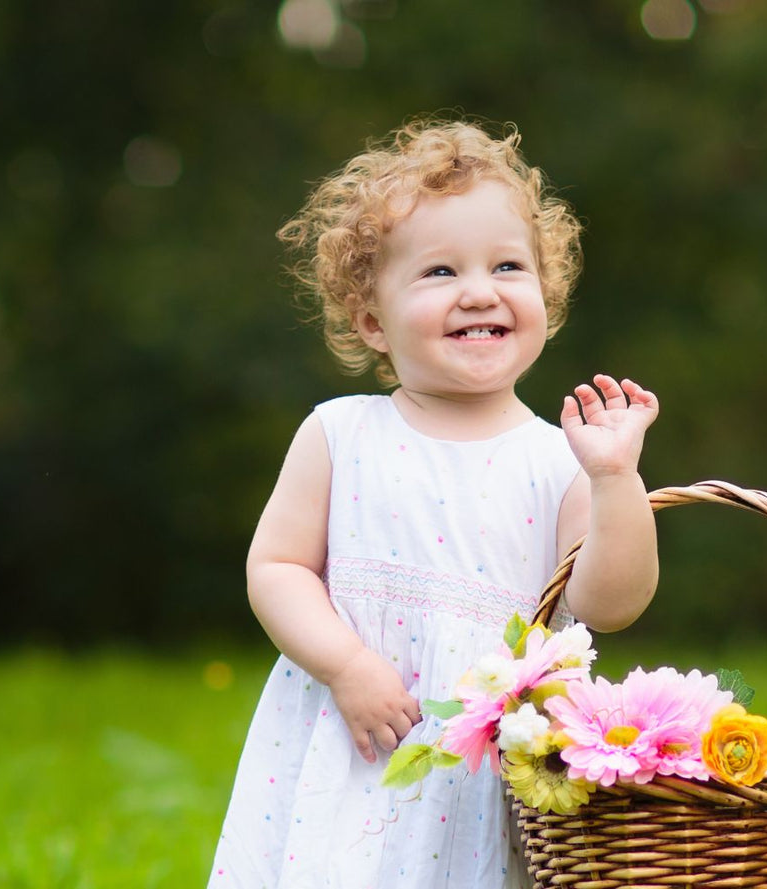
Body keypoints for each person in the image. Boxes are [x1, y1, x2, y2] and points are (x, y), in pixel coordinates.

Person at [207, 118, 661, 888]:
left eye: (508, 266)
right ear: (372, 322)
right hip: (352, 738)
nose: (479, 290)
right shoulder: (341, 434)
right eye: (440, 272)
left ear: (544, 297)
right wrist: (345, 662)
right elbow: (277, 566)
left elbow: (609, 603)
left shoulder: (563, 457)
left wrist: (617, 480)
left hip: (485, 762)